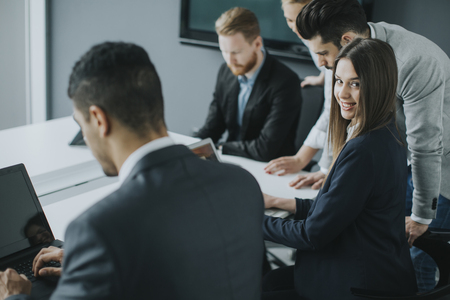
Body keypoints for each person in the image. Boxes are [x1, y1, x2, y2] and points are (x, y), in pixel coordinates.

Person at [0, 42, 265, 300]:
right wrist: (89, 265)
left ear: (99, 120)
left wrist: (14, 296)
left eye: (82, 125)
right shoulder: (242, 182)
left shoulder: (99, 230)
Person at [293, 0, 450, 291]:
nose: (321, 64)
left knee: (418, 264)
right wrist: (334, 172)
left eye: (323, 54)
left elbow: (426, 145)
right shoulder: (354, 56)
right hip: (400, 162)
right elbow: (343, 114)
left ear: (347, 41)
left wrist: (420, 215)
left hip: (438, 175)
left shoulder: (412, 61)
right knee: (384, 255)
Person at [262, 38, 417, 300]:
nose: (342, 94)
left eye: (355, 84)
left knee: (261, 288)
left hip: (359, 285)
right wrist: (279, 202)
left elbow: (312, 234)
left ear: (378, 85)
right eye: (338, 81)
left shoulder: (364, 150)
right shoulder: (388, 130)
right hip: (375, 270)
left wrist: (254, 220)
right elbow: (340, 209)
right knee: (269, 281)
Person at [195, 7, 302, 162]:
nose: (229, 61)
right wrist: (190, 146)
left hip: (269, 168)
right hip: (233, 160)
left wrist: (222, 148)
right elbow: (212, 127)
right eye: (224, 52)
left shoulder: (286, 82)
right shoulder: (226, 72)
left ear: (257, 43)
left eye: (236, 52)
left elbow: (266, 148)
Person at [264, 0, 333, 189]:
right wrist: (324, 76)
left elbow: (332, 113)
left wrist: (308, 161)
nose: (297, 29)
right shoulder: (307, 31)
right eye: (289, 20)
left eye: (301, 20)